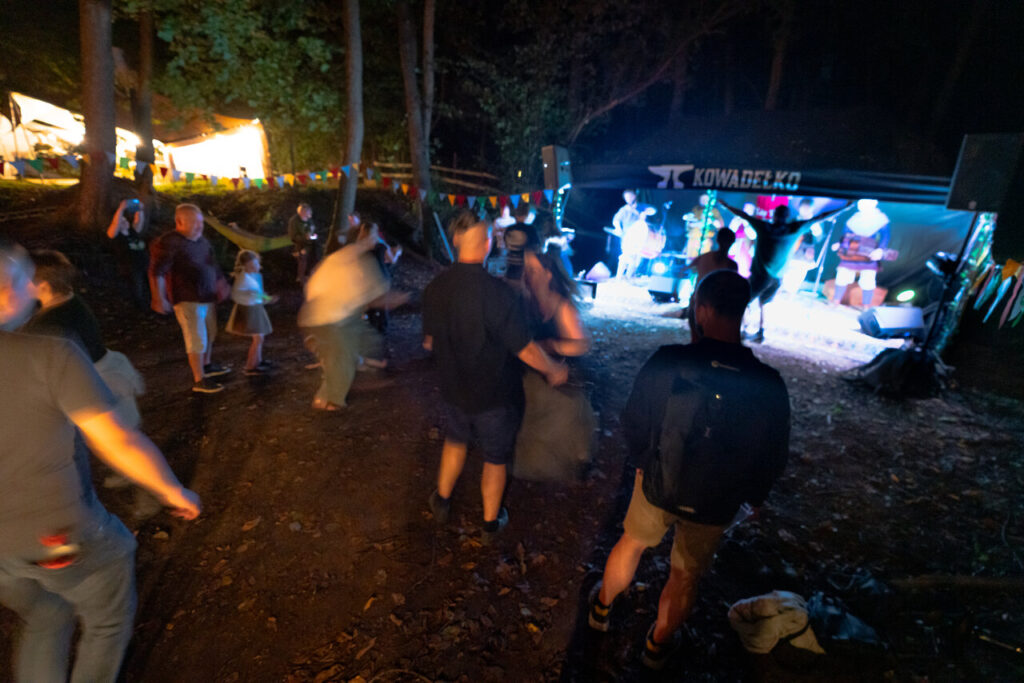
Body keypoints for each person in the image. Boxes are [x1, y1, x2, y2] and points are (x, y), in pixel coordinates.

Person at [0, 239, 202, 683]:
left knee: (45, 616)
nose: (32, 289)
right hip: (59, 534)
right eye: (21, 280)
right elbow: (117, 441)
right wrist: (172, 491)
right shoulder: (48, 354)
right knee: (106, 619)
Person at [588, 270, 790, 670]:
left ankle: (602, 609)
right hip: (717, 500)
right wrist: (755, 497)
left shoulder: (668, 361)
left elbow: (633, 419)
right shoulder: (768, 383)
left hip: (658, 482)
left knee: (632, 543)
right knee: (685, 575)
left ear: (702, 309)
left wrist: (643, 462)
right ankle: (657, 646)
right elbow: (772, 452)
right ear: (743, 311)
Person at [422, 211, 568, 544]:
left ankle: (442, 500)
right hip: (495, 396)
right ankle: (489, 523)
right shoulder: (498, 293)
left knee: (455, 440)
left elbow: (429, 342)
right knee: (495, 457)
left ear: (456, 241)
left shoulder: (435, 288)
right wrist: (553, 369)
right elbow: (525, 349)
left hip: (453, 388)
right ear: (488, 244)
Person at [298, 227, 409, 411]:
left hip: (325, 317)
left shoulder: (342, 259)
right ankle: (334, 401)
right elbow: (374, 298)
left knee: (344, 353)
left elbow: (312, 289)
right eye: (371, 235)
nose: (375, 239)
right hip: (334, 319)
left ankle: (329, 392)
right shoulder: (354, 262)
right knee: (342, 358)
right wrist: (395, 299)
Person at [721, 199, 851, 343]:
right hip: (778, 277)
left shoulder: (764, 227)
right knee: (765, 303)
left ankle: (743, 330)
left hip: (761, 275)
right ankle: (761, 332)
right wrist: (844, 208)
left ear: (774, 215)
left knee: (745, 300)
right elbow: (820, 217)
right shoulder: (794, 228)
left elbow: (744, 215)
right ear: (787, 216)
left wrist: (727, 205)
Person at [149, 203, 233, 393]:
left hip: (207, 296)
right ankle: (199, 379)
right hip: (187, 298)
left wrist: (221, 283)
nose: (199, 226)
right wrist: (158, 297)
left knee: (210, 332)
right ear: (179, 222)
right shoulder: (170, 242)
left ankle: (207, 364)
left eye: (201, 222)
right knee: (196, 337)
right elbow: (157, 272)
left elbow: (212, 264)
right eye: (194, 222)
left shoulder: (202, 241)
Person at [830, 199, 891, 309]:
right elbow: (846, 234)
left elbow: (885, 236)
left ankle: (866, 306)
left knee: (868, 279)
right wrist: (840, 244)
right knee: (842, 274)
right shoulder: (855, 218)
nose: (860, 205)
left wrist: (880, 249)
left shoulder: (880, 219)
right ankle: (836, 302)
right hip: (852, 250)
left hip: (869, 251)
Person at [226, 250, 278, 376]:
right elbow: (240, 295)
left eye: (256, 264)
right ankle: (250, 366)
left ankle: (257, 362)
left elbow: (257, 293)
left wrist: (265, 298)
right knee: (258, 338)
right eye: (252, 265)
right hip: (249, 310)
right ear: (246, 265)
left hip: (255, 308)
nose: (256, 267)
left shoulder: (254, 276)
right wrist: (264, 298)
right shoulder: (243, 278)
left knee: (259, 337)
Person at [687, 229, 738, 341]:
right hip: (716, 309)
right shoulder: (732, 265)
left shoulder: (703, 257)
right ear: (733, 242)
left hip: (697, 304)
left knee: (695, 341)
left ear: (717, 240)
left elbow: (685, 270)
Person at [106, 198, 150, 309]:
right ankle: (138, 308)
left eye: (125, 220)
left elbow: (139, 220)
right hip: (130, 268)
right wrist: (121, 209)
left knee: (147, 286)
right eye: (122, 221)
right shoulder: (114, 235)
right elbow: (115, 223)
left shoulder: (132, 231)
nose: (125, 222)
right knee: (136, 289)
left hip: (144, 264)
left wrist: (140, 209)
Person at [610, 190, 656, 279]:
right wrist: (619, 229)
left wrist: (644, 213)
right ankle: (619, 277)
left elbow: (652, 210)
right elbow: (616, 220)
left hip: (639, 238)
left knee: (635, 260)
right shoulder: (624, 209)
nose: (629, 199)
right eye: (627, 198)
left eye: (630, 196)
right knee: (626, 257)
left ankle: (629, 277)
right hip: (628, 237)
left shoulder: (641, 207)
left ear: (635, 195)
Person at [287, 202, 321, 283]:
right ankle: (301, 278)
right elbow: (293, 237)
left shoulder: (309, 220)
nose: (310, 213)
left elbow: (312, 230)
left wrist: (313, 235)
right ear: (302, 212)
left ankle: (312, 276)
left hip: (311, 244)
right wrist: (305, 238)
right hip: (300, 245)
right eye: (308, 212)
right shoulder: (294, 221)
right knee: (303, 258)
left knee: (315, 256)